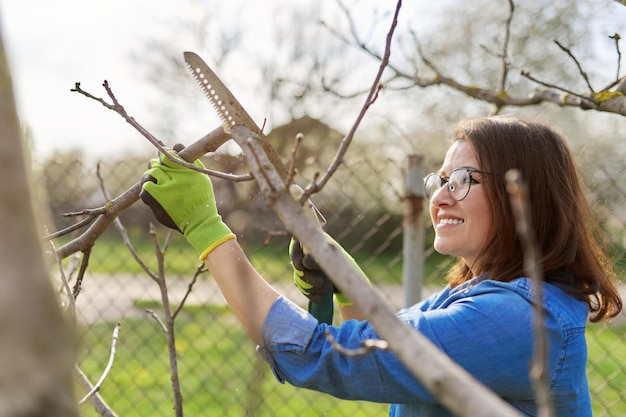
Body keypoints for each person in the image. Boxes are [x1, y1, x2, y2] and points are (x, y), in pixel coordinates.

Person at [139, 115, 622, 417]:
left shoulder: (519, 321)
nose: (440, 196)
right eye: (443, 178)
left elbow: (334, 357)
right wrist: (346, 285)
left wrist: (205, 227)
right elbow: (391, 351)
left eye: (465, 179)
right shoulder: (480, 295)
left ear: (527, 196)